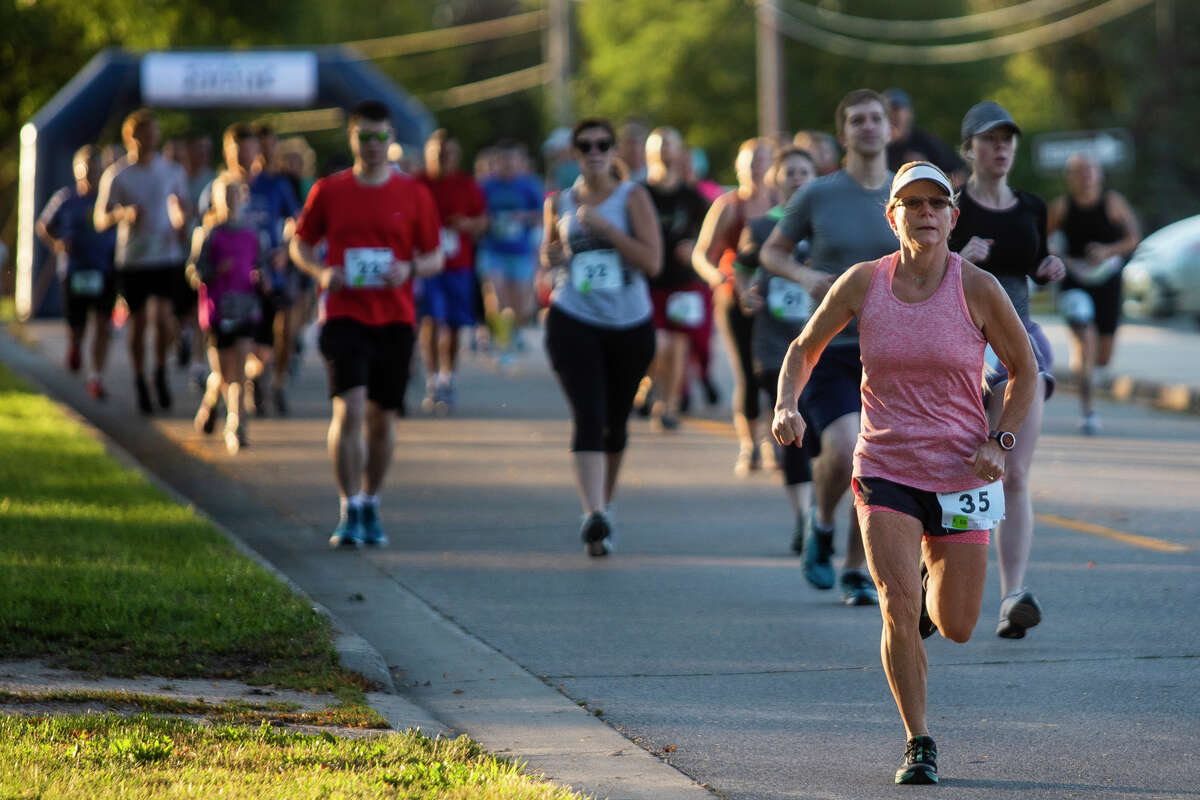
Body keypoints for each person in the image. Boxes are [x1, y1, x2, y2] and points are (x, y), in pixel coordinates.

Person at [773, 161, 1037, 784]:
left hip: (962, 470)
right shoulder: (863, 282)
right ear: (891, 217)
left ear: (953, 215)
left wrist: (1000, 440)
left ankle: (927, 597)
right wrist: (787, 403)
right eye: (911, 203)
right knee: (896, 605)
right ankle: (919, 741)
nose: (924, 213)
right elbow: (803, 350)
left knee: (960, 625)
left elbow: (1023, 371)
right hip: (884, 465)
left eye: (936, 203)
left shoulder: (977, 287)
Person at [761, 89, 899, 605]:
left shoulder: (907, 194)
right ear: (842, 135)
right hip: (831, 348)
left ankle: (855, 568)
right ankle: (821, 523)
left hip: (894, 352)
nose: (868, 127)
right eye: (857, 120)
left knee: (877, 460)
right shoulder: (817, 194)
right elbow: (771, 253)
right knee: (844, 450)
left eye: (876, 118)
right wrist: (804, 274)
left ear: (890, 128)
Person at [289, 100, 444, 548]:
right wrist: (321, 273)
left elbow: (435, 256)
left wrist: (409, 269)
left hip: (394, 318)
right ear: (352, 139)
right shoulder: (329, 191)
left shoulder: (414, 194)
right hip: (343, 313)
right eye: (365, 137)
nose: (374, 146)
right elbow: (301, 243)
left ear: (391, 139)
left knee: (381, 418)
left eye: (381, 137)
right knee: (349, 408)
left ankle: (371, 501)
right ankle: (348, 506)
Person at [948, 101, 1066, 638]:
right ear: (969, 147)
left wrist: (1049, 269)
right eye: (990, 140)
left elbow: (1032, 268)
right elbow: (922, 277)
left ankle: (1011, 596)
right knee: (962, 468)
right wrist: (958, 259)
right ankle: (940, 580)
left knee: (1014, 472)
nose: (1001, 149)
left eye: (1008, 140)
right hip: (962, 348)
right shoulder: (951, 208)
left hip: (1020, 346)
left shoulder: (1032, 206)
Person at [539, 118, 661, 557]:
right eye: (585, 145)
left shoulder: (633, 197)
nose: (594, 152)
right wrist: (551, 255)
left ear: (613, 153)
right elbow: (549, 254)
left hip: (629, 323)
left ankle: (604, 508)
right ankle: (592, 513)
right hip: (574, 317)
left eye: (602, 145)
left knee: (615, 423)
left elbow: (652, 261)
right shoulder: (560, 201)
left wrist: (609, 231)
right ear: (575, 153)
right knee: (588, 415)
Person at [735, 147, 818, 551]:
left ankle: (820, 508)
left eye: (806, 172)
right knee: (794, 434)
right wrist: (744, 294)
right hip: (774, 345)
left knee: (823, 432)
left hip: (825, 345)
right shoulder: (761, 227)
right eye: (791, 173)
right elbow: (742, 268)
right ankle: (805, 516)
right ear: (777, 180)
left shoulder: (825, 226)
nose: (798, 179)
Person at [94, 108, 191, 415]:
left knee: (163, 319)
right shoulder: (118, 175)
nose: (150, 139)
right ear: (131, 137)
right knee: (137, 323)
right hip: (133, 259)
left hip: (166, 256)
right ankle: (139, 379)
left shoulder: (171, 170)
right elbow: (99, 218)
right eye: (144, 134)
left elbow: (183, 206)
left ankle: (160, 371)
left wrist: (182, 222)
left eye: (154, 134)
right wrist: (123, 214)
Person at [692, 138, 777, 474]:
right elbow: (702, 252)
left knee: (775, 371)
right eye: (751, 162)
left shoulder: (782, 203)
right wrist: (715, 276)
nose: (757, 168)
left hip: (776, 301)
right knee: (747, 373)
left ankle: (774, 443)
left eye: (763, 161)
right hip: (736, 299)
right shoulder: (729, 205)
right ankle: (749, 444)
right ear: (739, 167)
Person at [1047, 153, 1141, 435]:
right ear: (1070, 177)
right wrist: (1058, 255)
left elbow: (1133, 238)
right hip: (1074, 283)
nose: (1086, 176)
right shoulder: (1062, 207)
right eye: (1079, 171)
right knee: (1085, 341)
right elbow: (1041, 239)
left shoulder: (1113, 203)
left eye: (1090, 170)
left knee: (1102, 357)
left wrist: (1107, 251)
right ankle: (1089, 411)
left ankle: (1085, 367)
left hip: (1108, 282)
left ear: (1099, 175)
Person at [187, 173, 262, 454]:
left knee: (240, 371)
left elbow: (261, 263)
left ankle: (236, 426)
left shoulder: (252, 233)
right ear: (218, 200)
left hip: (245, 308)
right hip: (217, 311)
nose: (232, 202)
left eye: (236, 196)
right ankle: (210, 400)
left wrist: (262, 277)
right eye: (226, 197)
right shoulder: (209, 233)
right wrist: (214, 272)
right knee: (222, 373)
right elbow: (193, 271)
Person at [415, 129, 488, 414]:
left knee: (454, 325)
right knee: (431, 320)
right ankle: (432, 379)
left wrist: (466, 225)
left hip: (459, 265)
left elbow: (483, 221)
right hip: (428, 264)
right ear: (428, 154)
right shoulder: (419, 183)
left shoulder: (467, 184)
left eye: (449, 154)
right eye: (438, 154)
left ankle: (449, 377)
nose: (444, 159)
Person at [36, 145, 117, 399]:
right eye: (86, 170)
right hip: (74, 271)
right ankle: (75, 345)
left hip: (105, 269)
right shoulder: (65, 198)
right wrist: (58, 243)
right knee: (78, 326)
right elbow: (44, 226)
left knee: (104, 325)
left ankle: (97, 377)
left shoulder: (109, 198)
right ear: (77, 171)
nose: (90, 175)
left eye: (95, 170)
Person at [642, 127, 710, 430]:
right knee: (655, 345)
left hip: (682, 282)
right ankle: (649, 383)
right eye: (658, 145)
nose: (664, 150)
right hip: (648, 280)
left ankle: (667, 406)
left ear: (680, 151)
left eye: (670, 144)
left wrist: (694, 246)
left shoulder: (691, 195)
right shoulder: (640, 193)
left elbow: (708, 234)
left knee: (679, 345)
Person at [477, 139, 544, 360]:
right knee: (497, 295)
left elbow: (542, 214)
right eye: (504, 160)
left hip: (521, 251)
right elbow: (476, 214)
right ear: (497, 161)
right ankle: (502, 342)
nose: (508, 164)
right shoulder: (486, 186)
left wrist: (522, 217)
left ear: (520, 161)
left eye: (513, 159)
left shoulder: (529, 184)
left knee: (522, 307)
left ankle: (513, 331)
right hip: (493, 249)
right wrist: (487, 221)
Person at [883, 88, 965, 185]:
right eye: (886, 112)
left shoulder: (926, 140)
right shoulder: (876, 146)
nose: (891, 115)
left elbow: (962, 174)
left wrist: (927, 171)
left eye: (896, 109)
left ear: (909, 114)